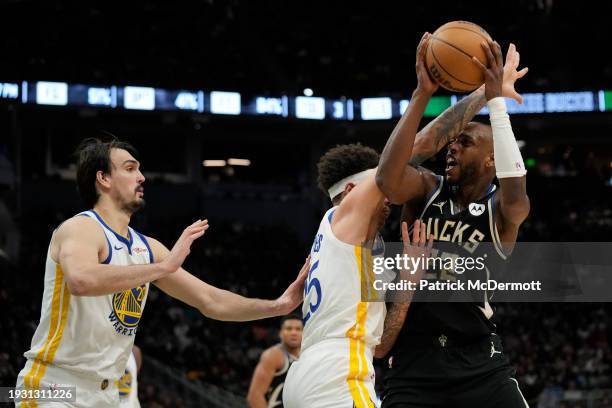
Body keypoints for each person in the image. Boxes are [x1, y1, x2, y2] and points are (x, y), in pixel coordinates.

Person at [15, 137, 310, 407]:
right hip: (55, 386)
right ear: (103, 178)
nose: (142, 177)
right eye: (130, 169)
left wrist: (279, 305)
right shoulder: (80, 228)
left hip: (109, 394)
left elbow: (211, 300)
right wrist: (163, 267)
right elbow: (81, 280)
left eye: (140, 169)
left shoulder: (148, 248)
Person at [375, 34, 531, 407]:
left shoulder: (502, 212)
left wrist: (496, 104)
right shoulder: (427, 188)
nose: (452, 146)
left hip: (479, 361)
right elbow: (386, 178)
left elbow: (515, 188)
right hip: (414, 363)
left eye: (465, 143)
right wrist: (421, 94)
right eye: (452, 141)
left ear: (491, 160)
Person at [283, 48, 436, 407]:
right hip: (338, 372)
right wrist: (431, 95)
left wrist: (409, 281)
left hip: (315, 371)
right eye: (381, 188)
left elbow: (380, 345)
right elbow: (421, 145)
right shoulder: (345, 216)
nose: (391, 197)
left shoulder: (354, 251)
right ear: (351, 190)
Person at [247, 314, 303, 408]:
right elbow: (254, 396)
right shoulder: (274, 355)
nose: (293, 332)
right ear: (280, 333)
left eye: (298, 329)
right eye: (289, 329)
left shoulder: (308, 355)